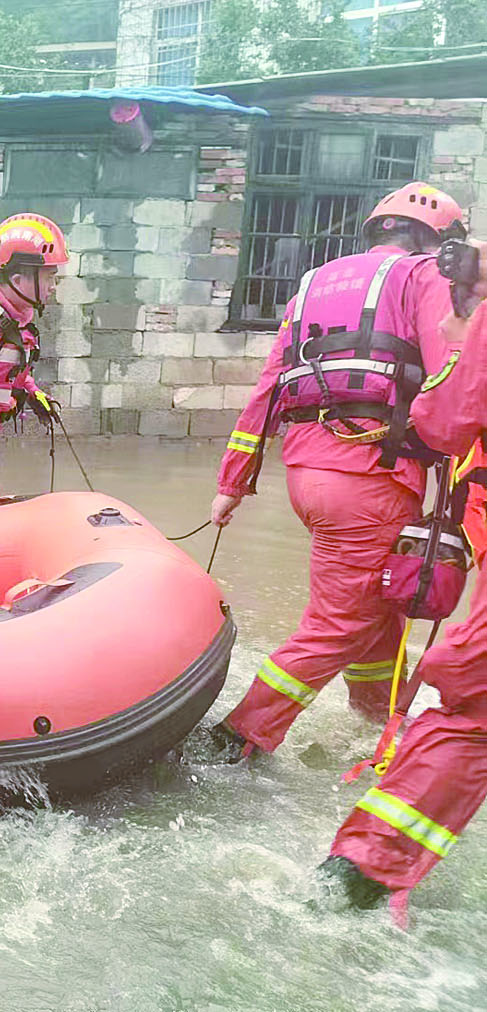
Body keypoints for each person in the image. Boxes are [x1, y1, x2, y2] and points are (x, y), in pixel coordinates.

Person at [199, 183, 465, 764]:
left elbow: (268, 390)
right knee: (339, 622)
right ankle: (234, 740)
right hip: (370, 476)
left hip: (308, 474)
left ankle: (376, 722)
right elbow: (449, 372)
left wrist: (232, 484)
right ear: (436, 242)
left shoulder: (313, 285)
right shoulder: (423, 275)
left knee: (377, 610)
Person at [316, 240, 487, 923]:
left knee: (467, 692)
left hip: (341, 471)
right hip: (371, 484)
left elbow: (441, 421)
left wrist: (461, 339)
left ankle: (358, 876)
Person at [0, 214, 69, 455]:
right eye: (49, 277)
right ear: (18, 280)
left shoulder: (13, 314)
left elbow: (2, 369)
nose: (53, 286)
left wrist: (32, 392)